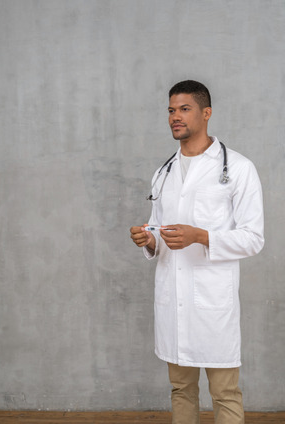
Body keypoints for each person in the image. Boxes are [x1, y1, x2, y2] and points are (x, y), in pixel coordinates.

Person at [130, 80, 264, 424]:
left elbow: (253, 238)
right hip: (173, 300)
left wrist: (202, 236)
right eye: (171, 110)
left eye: (184, 109)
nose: (176, 117)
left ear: (206, 113)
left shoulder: (237, 168)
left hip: (212, 301)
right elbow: (158, 230)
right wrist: (149, 240)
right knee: (180, 390)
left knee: (225, 394)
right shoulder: (164, 173)